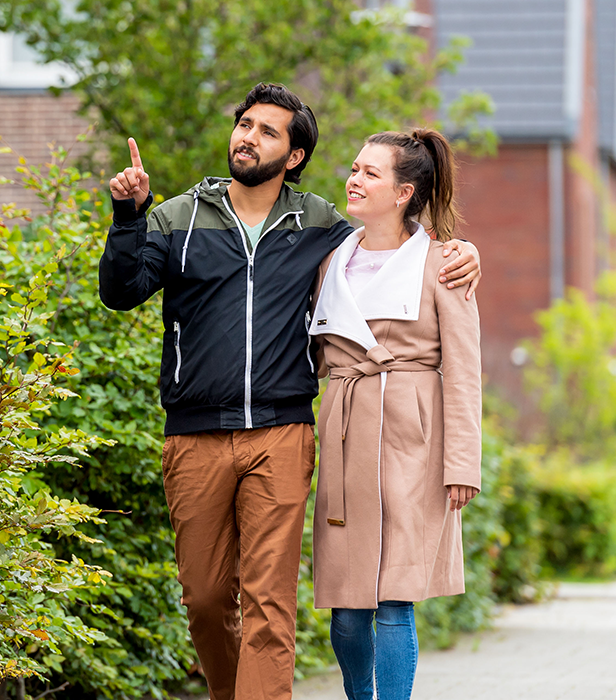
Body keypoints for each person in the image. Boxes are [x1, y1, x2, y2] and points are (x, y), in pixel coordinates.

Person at [98, 83, 481, 700]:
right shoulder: (183, 217)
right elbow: (121, 292)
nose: (247, 137)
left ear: (294, 154)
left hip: (288, 431)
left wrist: (463, 252)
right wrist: (128, 217)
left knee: (280, 601)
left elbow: (407, 262)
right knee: (203, 597)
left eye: (266, 130)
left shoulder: (319, 227)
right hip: (202, 432)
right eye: (243, 124)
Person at [309, 128, 482, 700]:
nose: (353, 179)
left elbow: (463, 370)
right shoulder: (333, 257)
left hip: (412, 438)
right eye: (355, 168)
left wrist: (461, 464)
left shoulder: (443, 263)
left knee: (391, 597)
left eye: (369, 173)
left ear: (404, 192)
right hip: (345, 427)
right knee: (347, 603)